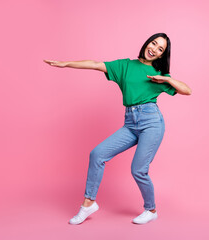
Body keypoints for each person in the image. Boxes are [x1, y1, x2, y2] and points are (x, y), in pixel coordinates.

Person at [44, 33, 192, 225]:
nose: (154, 48)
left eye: (160, 49)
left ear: (161, 55)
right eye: (154, 43)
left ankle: (151, 209)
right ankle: (88, 203)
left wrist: (167, 80)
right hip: (131, 122)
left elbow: (187, 90)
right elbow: (96, 64)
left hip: (151, 122)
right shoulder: (125, 65)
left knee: (138, 169)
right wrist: (65, 64)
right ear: (147, 42)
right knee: (97, 154)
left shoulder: (159, 74)